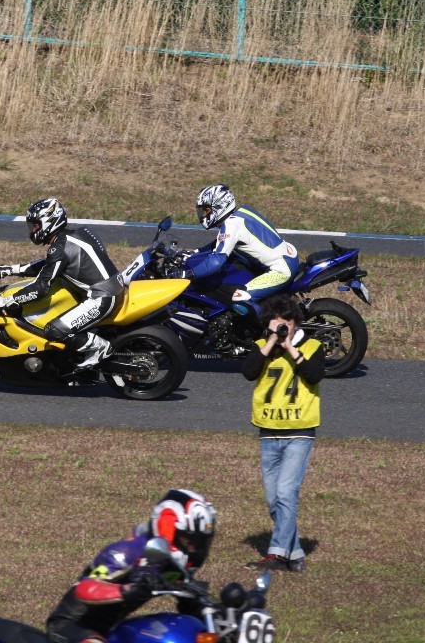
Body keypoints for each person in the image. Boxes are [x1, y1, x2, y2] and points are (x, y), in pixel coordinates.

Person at [46, 489, 216, 643]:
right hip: (72, 626)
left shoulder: (172, 566)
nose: (193, 550)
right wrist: (127, 590)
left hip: (111, 631)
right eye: (188, 541)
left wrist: (212, 614)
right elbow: (85, 588)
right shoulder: (127, 552)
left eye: (199, 543)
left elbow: (188, 602)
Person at [0, 197, 124, 369]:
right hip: (112, 286)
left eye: (36, 225)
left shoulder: (59, 248)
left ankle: (101, 347)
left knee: (54, 330)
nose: (33, 230)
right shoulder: (79, 233)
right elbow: (50, 266)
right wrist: (9, 270)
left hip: (102, 297)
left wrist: (7, 301)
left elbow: (40, 288)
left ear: (49, 222)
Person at [242, 294, 326, 572]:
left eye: (285, 323)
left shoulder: (312, 346)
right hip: (268, 431)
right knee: (273, 499)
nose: (280, 328)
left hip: (300, 431)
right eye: (275, 323)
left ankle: (277, 554)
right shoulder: (261, 347)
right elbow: (248, 371)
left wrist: (290, 346)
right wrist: (270, 343)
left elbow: (314, 375)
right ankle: (296, 553)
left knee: (286, 493)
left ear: (295, 323)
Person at [171, 184, 300, 312]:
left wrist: (187, 274)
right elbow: (220, 244)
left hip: (281, 270)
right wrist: (195, 252)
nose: (203, 214)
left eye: (206, 210)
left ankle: (268, 324)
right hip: (287, 257)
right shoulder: (242, 212)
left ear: (219, 206)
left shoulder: (231, 225)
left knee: (240, 298)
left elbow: (215, 262)